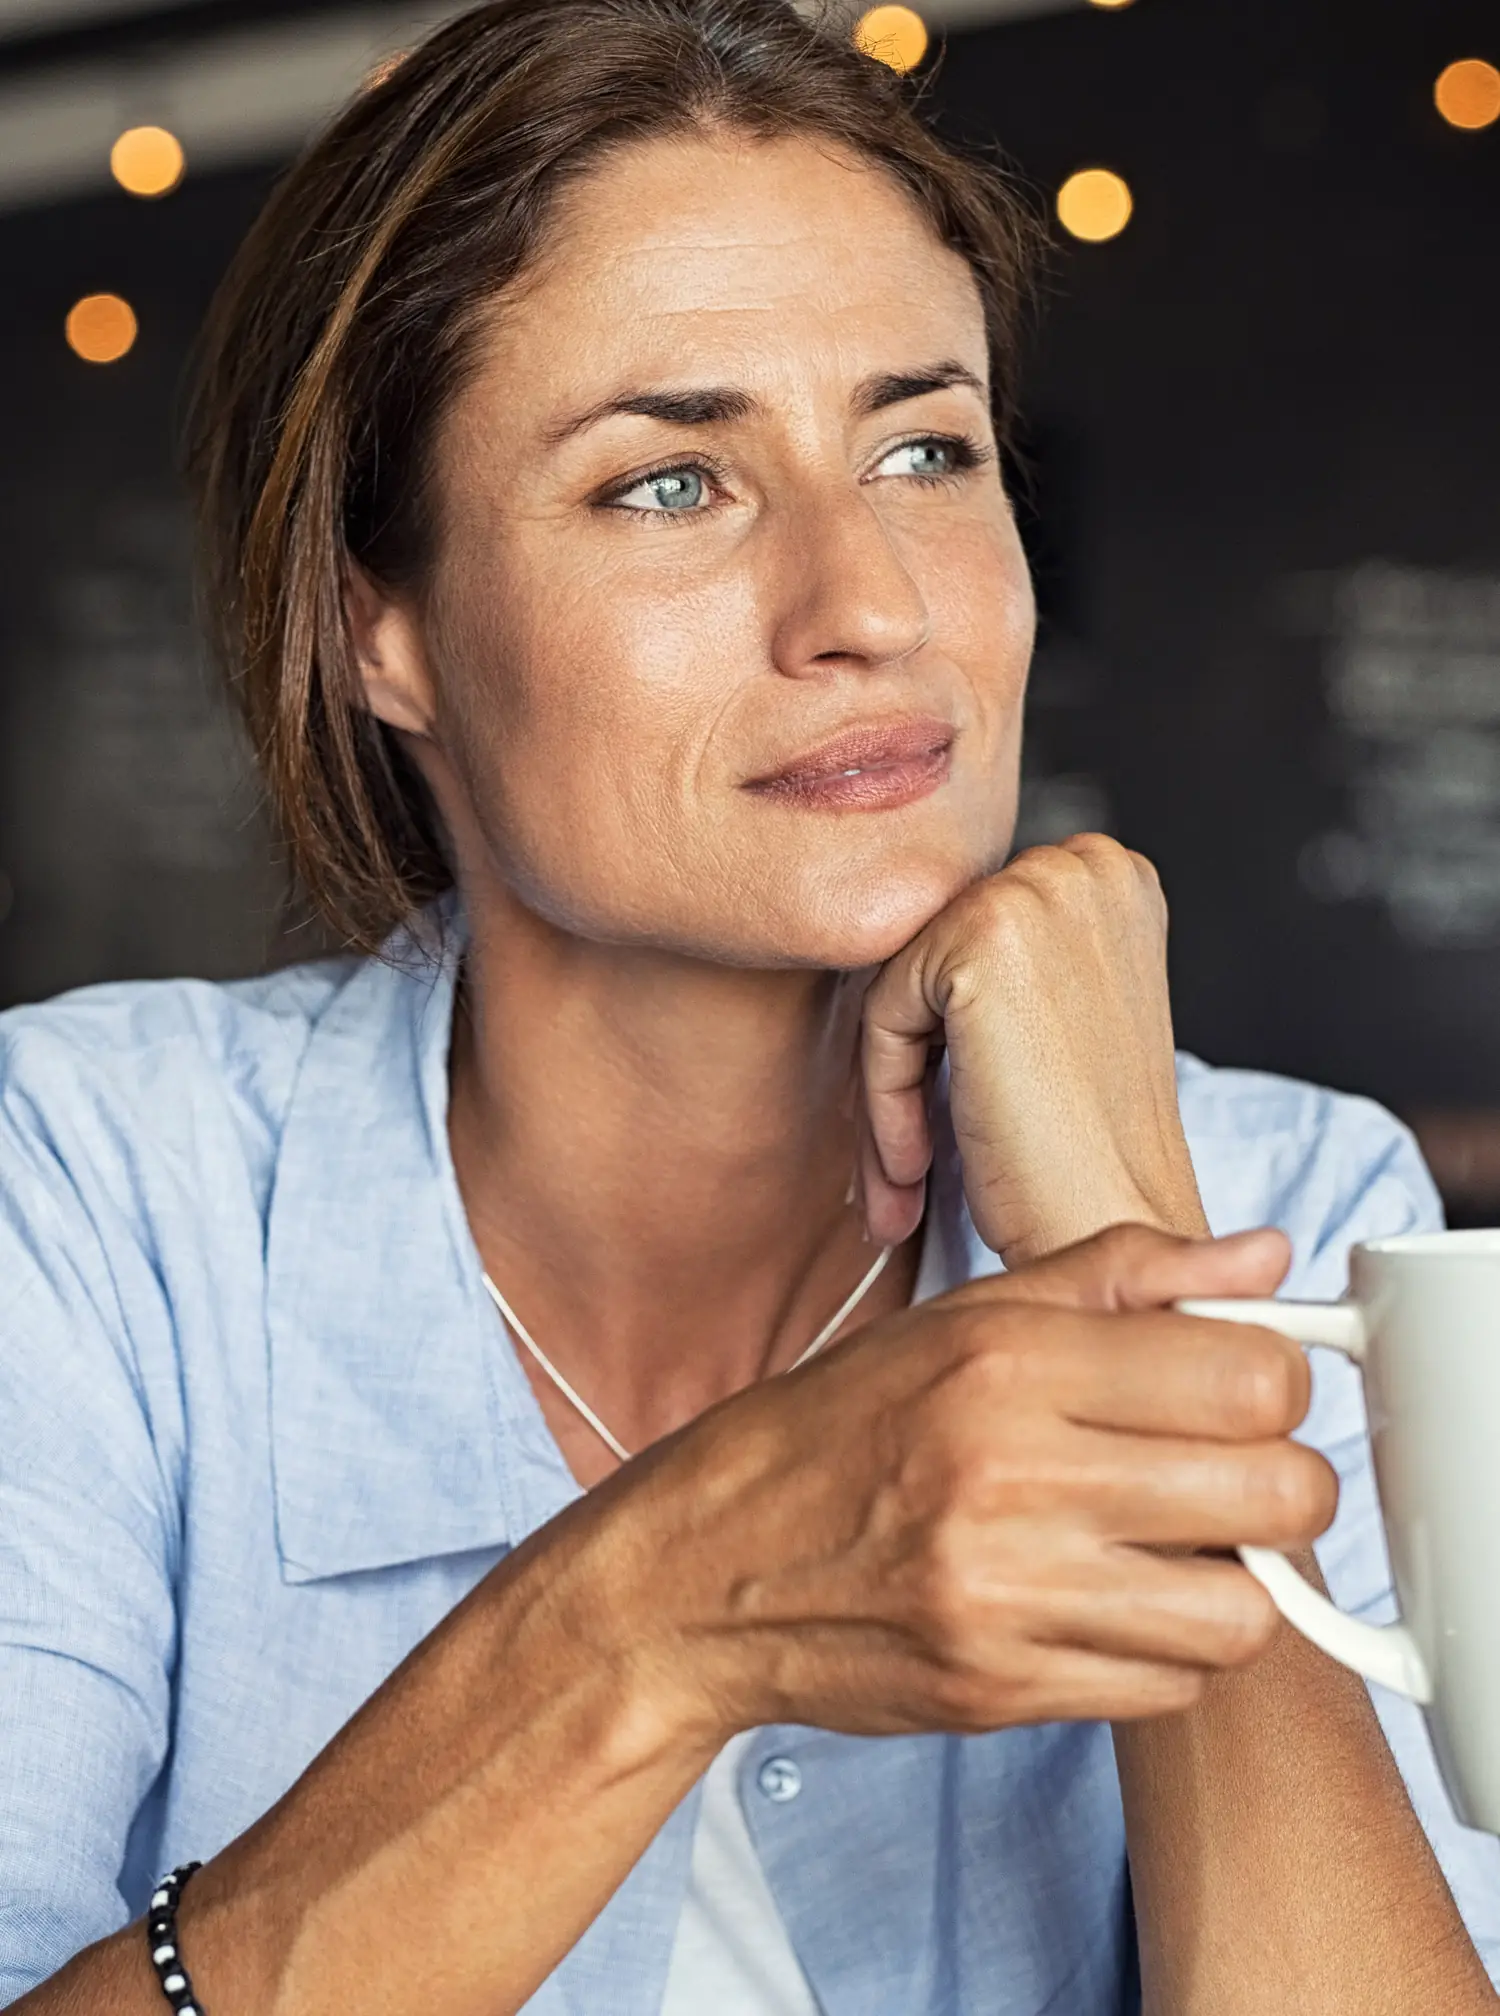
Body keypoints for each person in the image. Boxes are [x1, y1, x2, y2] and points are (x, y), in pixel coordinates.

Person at [2, 0, 1498, 2009]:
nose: (871, 602)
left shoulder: (1287, 1202)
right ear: (383, 625)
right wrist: (672, 1609)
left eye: (925, 448)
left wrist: (1124, 1243)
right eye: (671, 484)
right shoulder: (87, 1205)